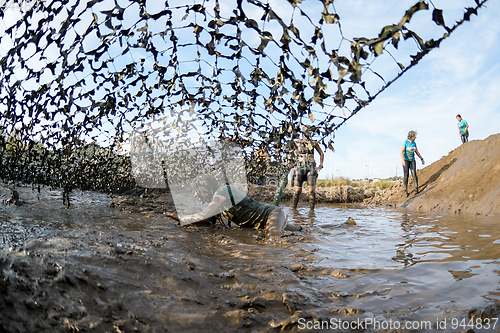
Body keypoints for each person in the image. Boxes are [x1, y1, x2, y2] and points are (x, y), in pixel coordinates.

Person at [165, 174, 299, 238]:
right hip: (262, 222)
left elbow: (205, 214)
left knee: (274, 240)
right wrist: (178, 219)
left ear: (204, 188)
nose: (195, 194)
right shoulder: (216, 201)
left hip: (271, 214)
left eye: (196, 190)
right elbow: (206, 221)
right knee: (299, 231)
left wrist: (182, 217)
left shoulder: (222, 191)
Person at [292, 125, 324, 210]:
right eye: (307, 131)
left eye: (310, 131)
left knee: (311, 191)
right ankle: (294, 210)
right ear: (303, 132)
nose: (309, 133)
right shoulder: (297, 142)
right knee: (297, 191)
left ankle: (312, 213)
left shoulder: (313, 142)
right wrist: (294, 165)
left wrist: (321, 165)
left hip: (311, 167)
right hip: (300, 167)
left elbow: (321, 153)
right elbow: (291, 153)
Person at [400, 130, 425, 197]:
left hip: (412, 160)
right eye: (415, 137)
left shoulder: (414, 143)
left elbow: (416, 151)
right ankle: (405, 191)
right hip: (406, 160)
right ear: (411, 136)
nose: (415, 138)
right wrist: (403, 161)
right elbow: (401, 152)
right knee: (406, 175)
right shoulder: (405, 142)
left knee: (414, 173)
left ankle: (416, 189)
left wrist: (421, 158)